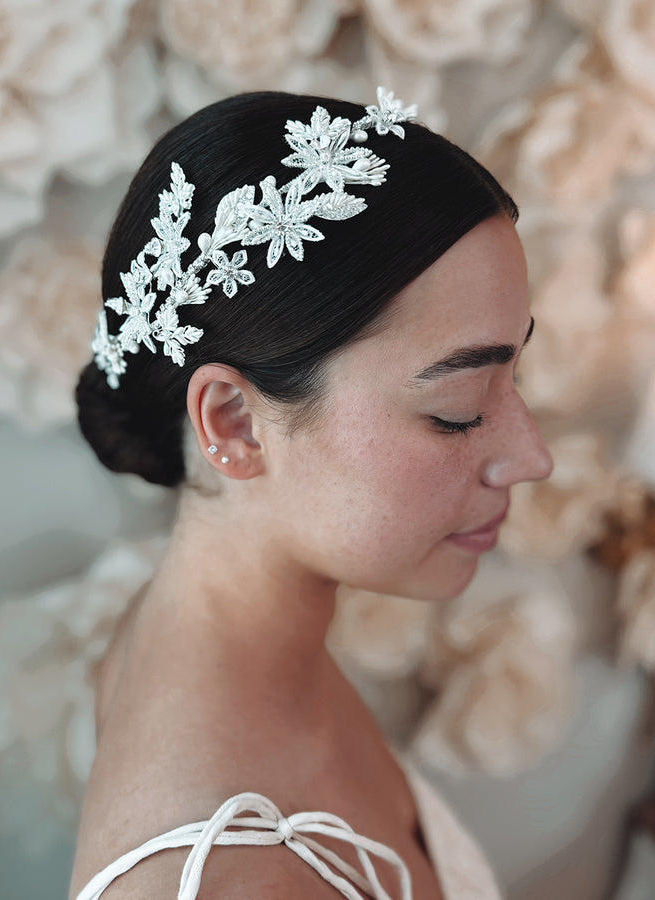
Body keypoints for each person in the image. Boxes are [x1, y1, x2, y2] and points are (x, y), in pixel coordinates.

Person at [68, 88, 553, 900]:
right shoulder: (231, 878)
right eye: (457, 411)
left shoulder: (209, 636)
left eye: (515, 378)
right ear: (235, 423)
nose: (530, 457)